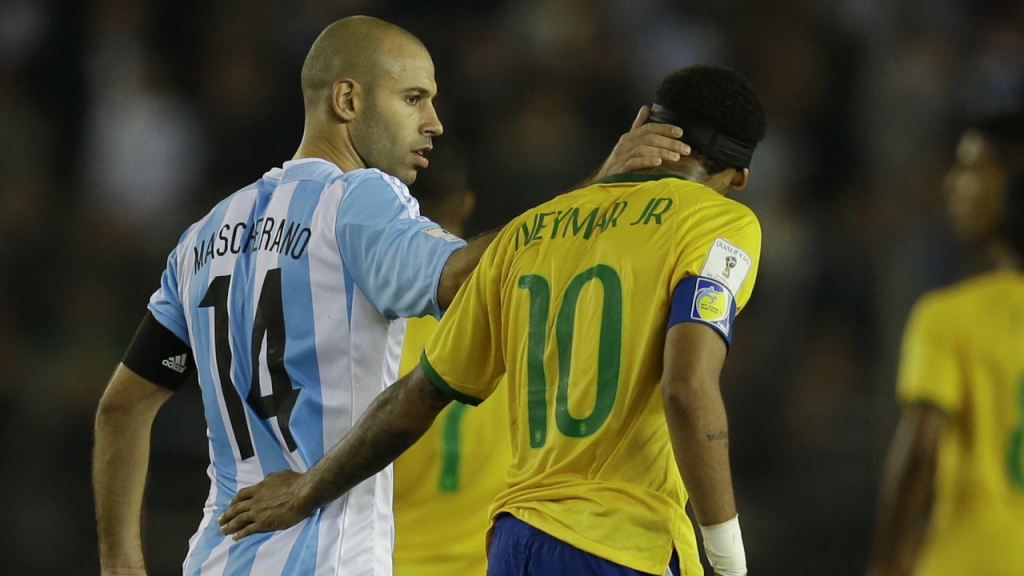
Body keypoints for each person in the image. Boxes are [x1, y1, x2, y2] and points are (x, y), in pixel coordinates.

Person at [92, 15, 688, 576]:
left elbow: (122, 407)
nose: (434, 122)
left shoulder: (205, 235)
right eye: (412, 99)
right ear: (347, 101)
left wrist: (121, 563)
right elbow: (463, 276)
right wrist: (596, 192)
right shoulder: (356, 201)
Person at [219, 64, 767, 576]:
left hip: (513, 545)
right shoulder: (721, 223)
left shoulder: (528, 233)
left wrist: (303, 492)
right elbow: (688, 389)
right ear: (737, 178)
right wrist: (727, 557)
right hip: (623, 542)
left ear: (642, 123)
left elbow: (417, 396)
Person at [866, 114, 1024, 576]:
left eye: (971, 168)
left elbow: (919, 451)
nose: (952, 184)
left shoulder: (950, 317)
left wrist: (887, 563)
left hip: (973, 558)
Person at [391, 142, 514, 575]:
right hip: (490, 562)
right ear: (465, 203)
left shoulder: (362, 318)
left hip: (382, 561)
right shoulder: (514, 310)